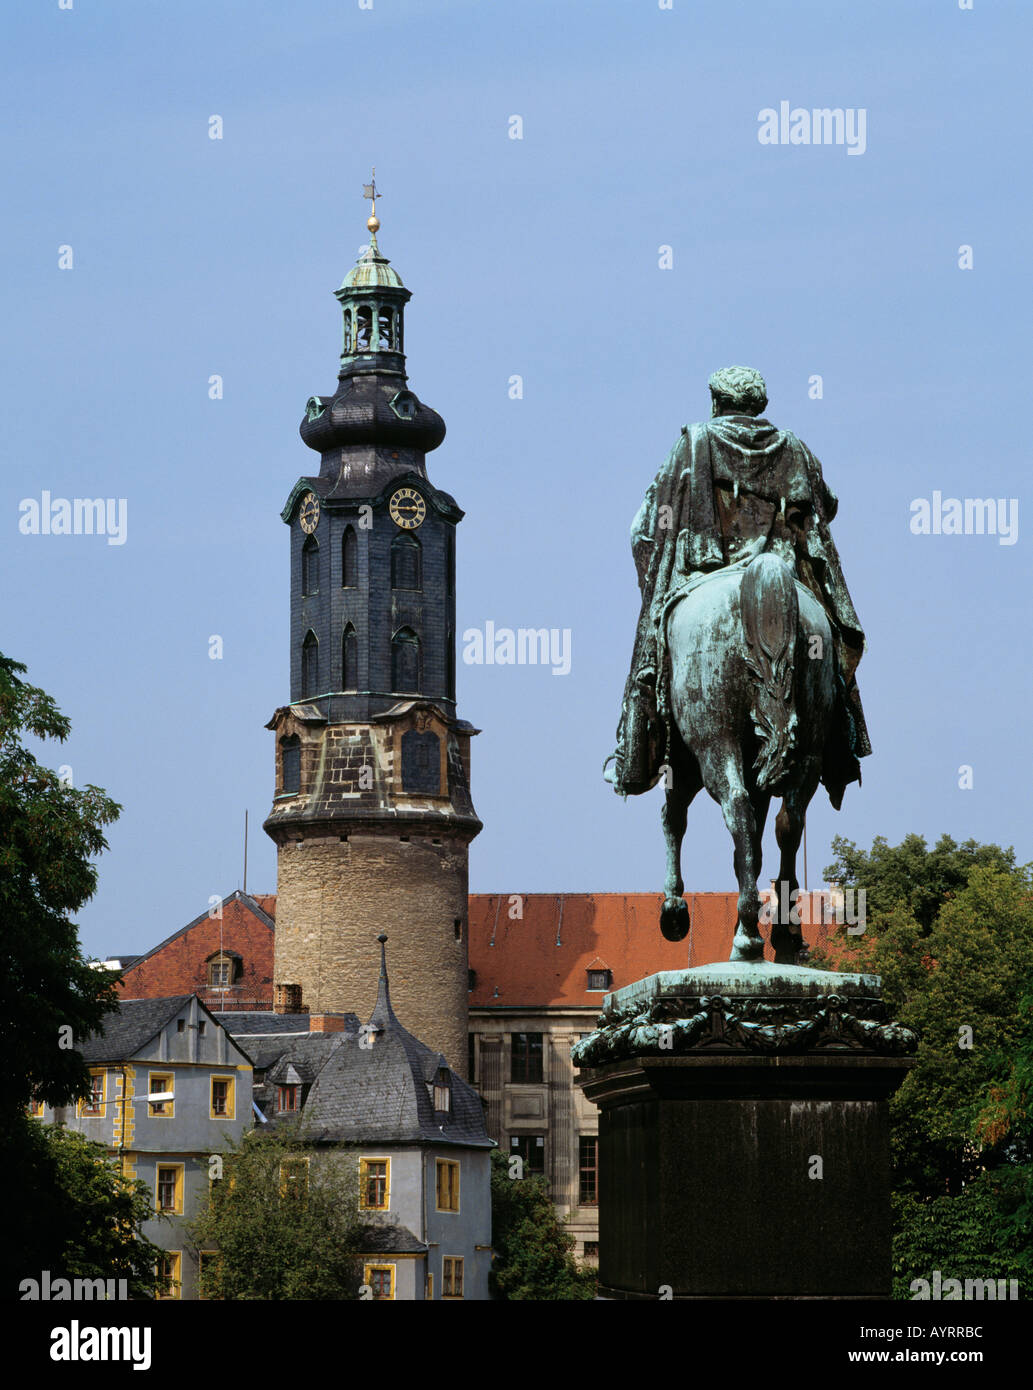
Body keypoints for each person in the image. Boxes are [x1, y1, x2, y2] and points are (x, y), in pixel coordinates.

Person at [605, 366, 870, 808]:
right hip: (788, 575)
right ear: (758, 405)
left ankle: (637, 754)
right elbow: (828, 506)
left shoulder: (694, 441)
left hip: (705, 573)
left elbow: (644, 529)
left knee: (653, 658)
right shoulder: (795, 448)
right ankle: (841, 744)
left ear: (715, 403)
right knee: (831, 653)